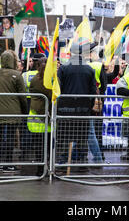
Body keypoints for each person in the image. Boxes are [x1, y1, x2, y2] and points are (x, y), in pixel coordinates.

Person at [56, 42, 97, 172]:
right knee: (81, 137)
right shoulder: (89, 69)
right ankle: (82, 164)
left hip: (65, 110)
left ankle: (62, 164)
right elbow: (92, 92)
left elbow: (58, 89)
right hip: (83, 110)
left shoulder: (63, 68)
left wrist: (60, 106)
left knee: (63, 138)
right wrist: (89, 107)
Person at [0, 50, 28, 173]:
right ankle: (8, 164)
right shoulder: (17, 75)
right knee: (10, 138)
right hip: (13, 111)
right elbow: (22, 95)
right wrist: (25, 110)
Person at [28, 57, 52, 176]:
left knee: (38, 146)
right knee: (48, 146)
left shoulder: (34, 79)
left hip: (35, 119)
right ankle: (47, 167)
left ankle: (40, 168)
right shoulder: (52, 79)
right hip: (48, 120)